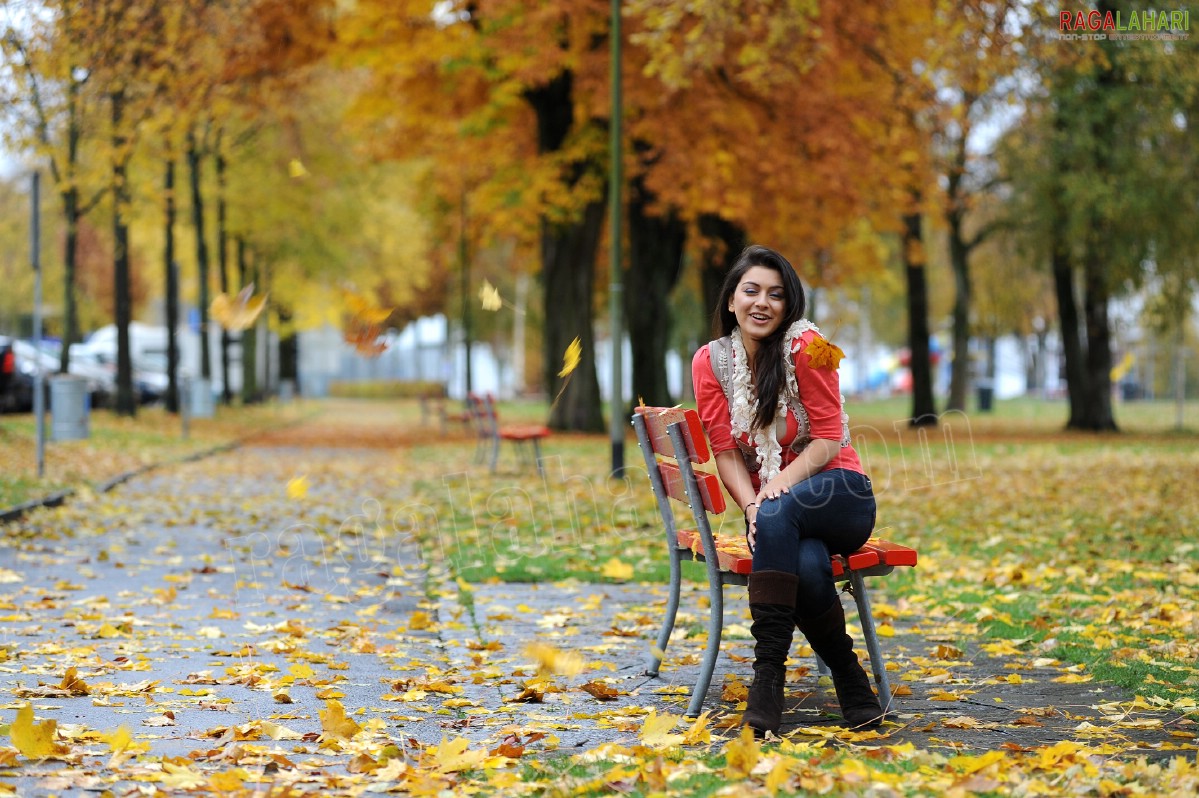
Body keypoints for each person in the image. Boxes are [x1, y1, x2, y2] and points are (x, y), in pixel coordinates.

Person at [692, 244, 883, 736]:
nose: (763, 303)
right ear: (731, 299)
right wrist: (754, 504)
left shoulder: (809, 347)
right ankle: (849, 677)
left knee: (778, 513)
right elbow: (725, 450)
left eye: (776, 295)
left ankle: (766, 676)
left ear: (789, 303)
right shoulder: (711, 362)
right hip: (779, 514)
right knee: (804, 560)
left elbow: (827, 437)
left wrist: (774, 487)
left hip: (840, 493)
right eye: (751, 290)